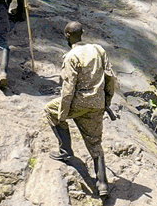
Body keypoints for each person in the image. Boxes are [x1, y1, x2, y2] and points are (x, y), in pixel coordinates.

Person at [45, 21, 116, 198]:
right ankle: (102, 184)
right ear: (82, 33)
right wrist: (106, 100)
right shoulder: (99, 50)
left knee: (49, 109)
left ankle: (65, 151)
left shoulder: (71, 57)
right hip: (97, 103)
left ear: (66, 36)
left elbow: (68, 89)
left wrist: (63, 113)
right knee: (95, 142)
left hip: (78, 103)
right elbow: (110, 77)